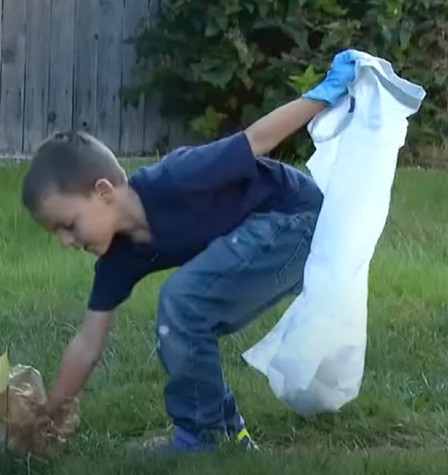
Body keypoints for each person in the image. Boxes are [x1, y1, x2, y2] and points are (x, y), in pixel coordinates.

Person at [20, 50, 357, 453]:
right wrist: (48, 414)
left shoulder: (177, 178)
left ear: (104, 192)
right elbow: (88, 343)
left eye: (69, 225)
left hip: (296, 220)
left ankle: (206, 434)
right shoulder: (119, 258)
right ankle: (221, 429)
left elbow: (258, 140)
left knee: (183, 301)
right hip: (269, 238)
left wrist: (327, 92)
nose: (67, 242)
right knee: (184, 314)